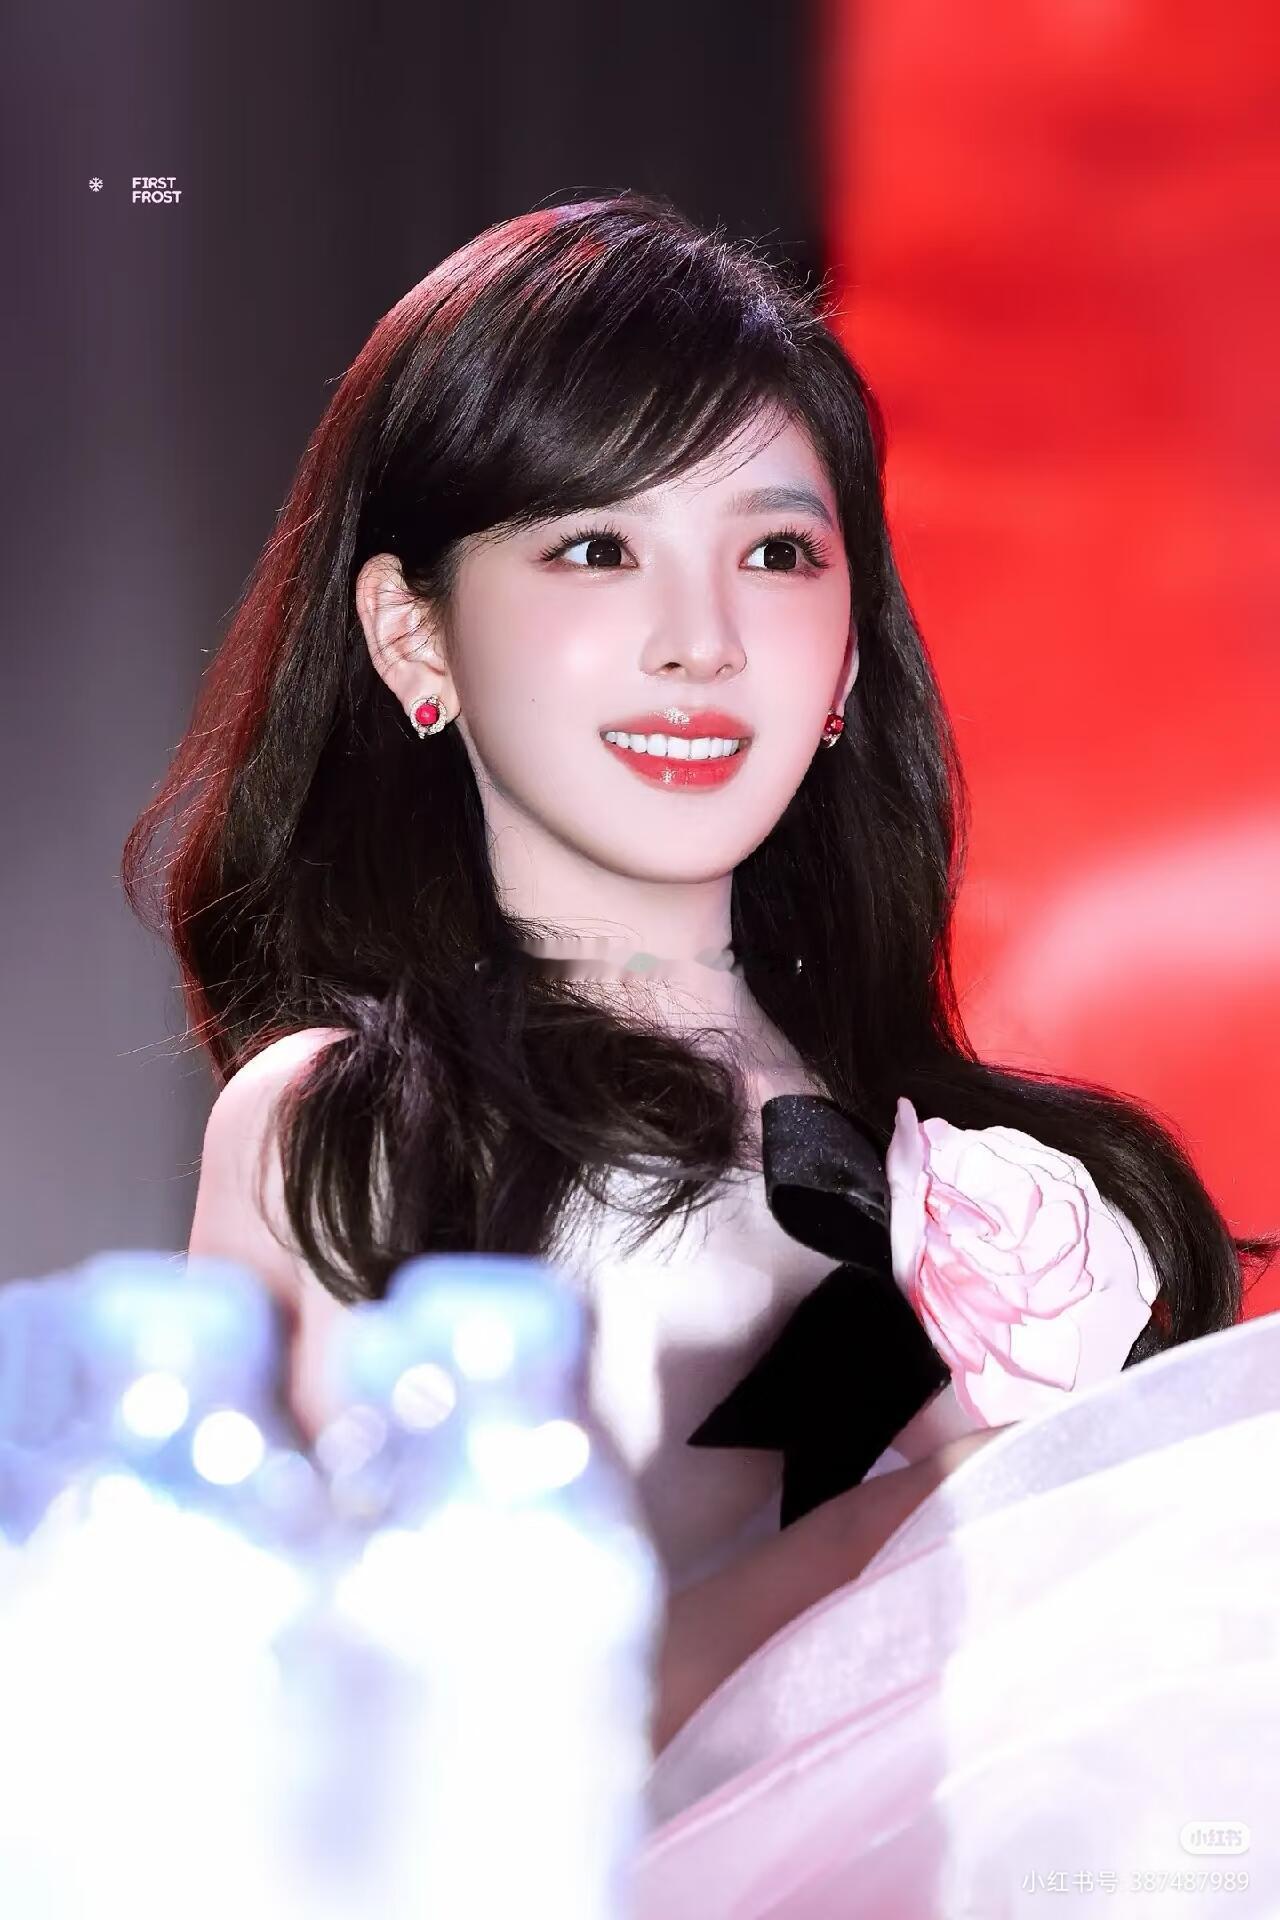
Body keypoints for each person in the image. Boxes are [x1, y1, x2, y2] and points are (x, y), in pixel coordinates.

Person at [123, 190, 1280, 1915]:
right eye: (598, 549)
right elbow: (355, 1761)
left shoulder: (1009, 1181)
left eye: (777, 553)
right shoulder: (354, 1125)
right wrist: (931, 1530)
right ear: (413, 632)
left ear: (847, 650)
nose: (703, 638)